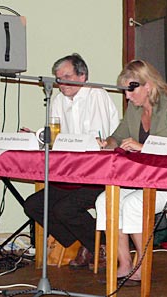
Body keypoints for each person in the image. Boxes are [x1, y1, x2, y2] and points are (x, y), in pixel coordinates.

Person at [95, 59, 167, 286]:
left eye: (131, 89)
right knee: (105, 200)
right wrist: (104, 142)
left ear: (148, 85)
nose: (127, 96)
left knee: (134, 204)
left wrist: (143, 147)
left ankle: (143, 264)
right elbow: (116, 137)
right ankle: (124, 262)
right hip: (143, 179)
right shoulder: (134, 111)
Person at [24, 53, 120, 270]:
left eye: (66, 76)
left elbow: (99, 139)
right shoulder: (57, 100)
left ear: (82, 76)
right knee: (34, 205)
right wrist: (39, 136)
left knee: (64, 208)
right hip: (70, 172)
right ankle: (86, 243)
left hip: (99, 172)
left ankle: (100, 245)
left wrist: (69, 143)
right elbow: (58, 141)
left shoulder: (97, 94)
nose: (60, 83)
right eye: (58, 78)